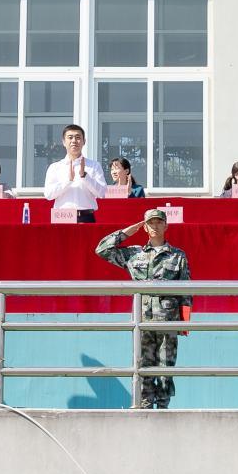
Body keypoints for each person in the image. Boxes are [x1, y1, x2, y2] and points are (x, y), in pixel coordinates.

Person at [95, 209, 192, 409]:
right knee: (142, 364)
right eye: (150, 223)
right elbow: (102, 249)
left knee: (165, 367)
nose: (155, 226)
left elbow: (186, 291)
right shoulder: (134, 254)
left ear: (166, 226)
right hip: (142, 318)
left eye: (159, 222)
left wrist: (185, 322)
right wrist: (127, 232)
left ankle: (163, 406)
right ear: (145, 227)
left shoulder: (177, 255)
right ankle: (144, 404)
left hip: (168, 319)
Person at [44, 124, 106, 222]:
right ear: (64, 142)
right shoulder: (55, 167)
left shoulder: (94, 165)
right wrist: (68, 181)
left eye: (78, 137)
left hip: (86, 217)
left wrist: (85, 176)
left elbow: (102, 193)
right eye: (70, 137)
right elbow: (49, 195)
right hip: (62, 217)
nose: (74, 141)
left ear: (84, 141)